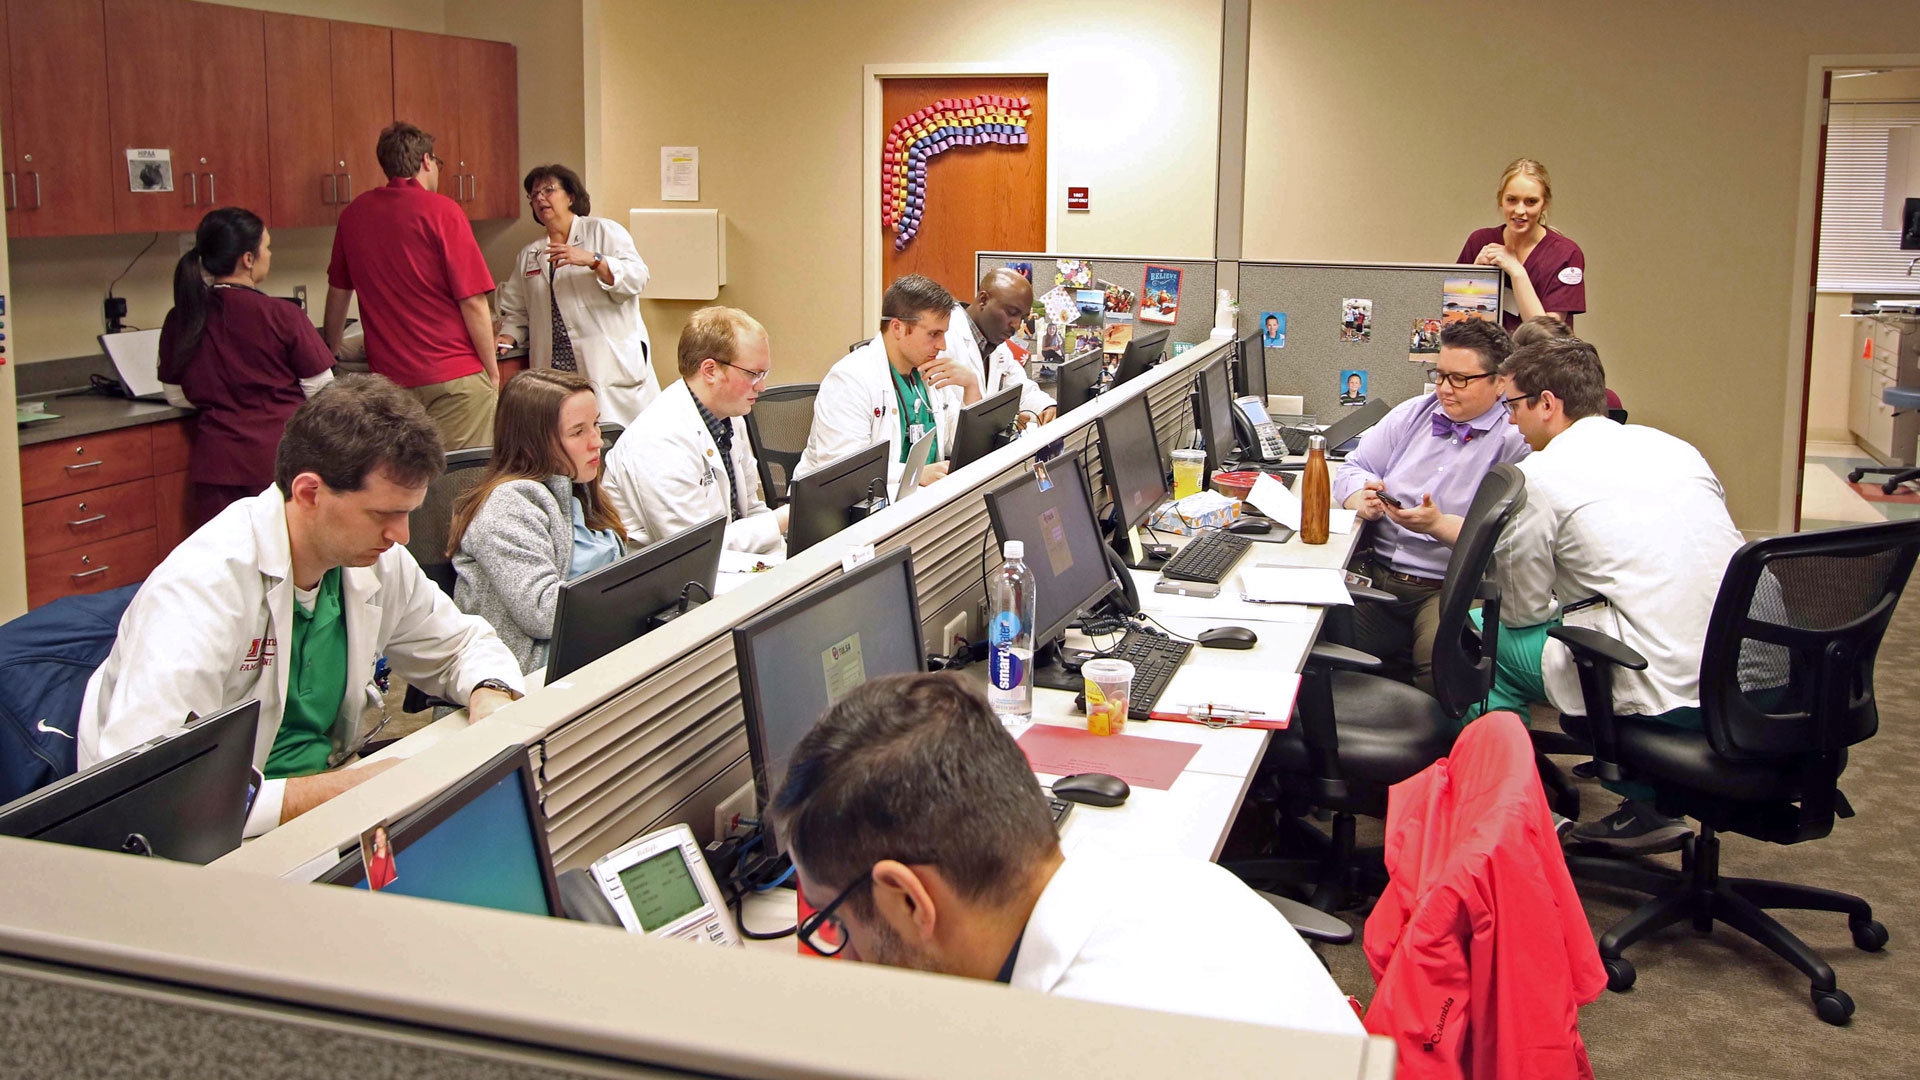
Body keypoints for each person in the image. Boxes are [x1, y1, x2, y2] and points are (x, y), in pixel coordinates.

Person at [769, 672, 1362, 1036]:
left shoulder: (1066, 1048)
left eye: (834, 923)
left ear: (906, 898)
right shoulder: (1196, 886)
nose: (842, 959)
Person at [77, 376, 525, 837]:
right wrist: (349, 789)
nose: (402, 535)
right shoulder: (202, 589)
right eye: (383, 514)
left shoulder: (373, 562)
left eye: (407, 511)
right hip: (211, 839)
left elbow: (460, 644)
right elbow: (150, 789)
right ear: (310, 493)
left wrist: (489, 696)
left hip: (323, 804)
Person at [1484, 337, 1744, 850]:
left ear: (1547, 404)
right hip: (1753, 680)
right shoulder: (1674, 448)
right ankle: (1646, 807)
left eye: (1512, 405)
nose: (1510, 421)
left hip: (1661, 687)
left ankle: (1517, 821)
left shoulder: (1535, 477)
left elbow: (1523, 610)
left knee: (1477, 637)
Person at [1333, 319, 1529, 692]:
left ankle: (1431, 748)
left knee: (1440, 672)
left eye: (1459, 379)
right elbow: (1354, 466)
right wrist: (1360, 496)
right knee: (1311, 642)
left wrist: (1438, 525)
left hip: (1448, 588)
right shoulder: (1415, 413)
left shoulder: (1516, 438)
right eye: (1439, 375)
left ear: (1500, 381)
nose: (1443, 389)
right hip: (1377, 574)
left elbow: (1512, 537)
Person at [324, 122, 499, 451]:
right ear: (427, 161)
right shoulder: (443, 211)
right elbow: (473, 301)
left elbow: (338, 292)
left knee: (405, 487)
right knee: (460, 486)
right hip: (454, 376)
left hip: (392, 385)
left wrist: (329, 355)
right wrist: (492, 372)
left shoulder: (353, 215)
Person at [159, 207, 336, 529]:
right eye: (266, 247)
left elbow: (175, 394)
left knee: (223, 563)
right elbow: (322, 388)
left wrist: (225, 400)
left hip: (216, 466)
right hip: (278, 462)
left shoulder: (182, 317)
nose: (269, 254)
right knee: (283, 558)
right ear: (248, 259)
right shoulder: (282, 315)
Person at [449, 370, 632, 675]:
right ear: (532, 444)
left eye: (596, 424)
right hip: (533, 680)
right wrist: (632, 594)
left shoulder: (578, 488)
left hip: (595, 655)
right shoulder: (508, 506)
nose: (597, 441)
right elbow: (544, 613)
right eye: (578, 432)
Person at [602, 306, 787, 554]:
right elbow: (698, 549)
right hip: (671, 580)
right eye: (754, 374)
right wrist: (787, 516)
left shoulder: (729, 415)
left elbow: (750, 510)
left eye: (764, 373)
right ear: (710, 371)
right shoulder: (658, 440)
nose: (762, 386)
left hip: (727, 566)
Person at [495, 165, 659, 427]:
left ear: (571, 196)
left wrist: (594, 260)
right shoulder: (530, 254)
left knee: (618, 442)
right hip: (557, 371)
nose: (540, 198)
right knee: (567, 439)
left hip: (608, 366)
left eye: (549, 190)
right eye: (534, 194)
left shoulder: (603, 232)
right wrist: (508, 335)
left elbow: (638, 276)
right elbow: (518, 311)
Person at [797, 274, 982, 489]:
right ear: (897, 328)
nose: (942, 345)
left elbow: (955, 445)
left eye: (944, 334)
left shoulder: (928, 370)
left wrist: (971, 387)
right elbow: (845, 469)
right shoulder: (849, 379)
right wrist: (915, 473)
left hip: (918, 499)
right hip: (847, 510)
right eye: (934, 334)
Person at [1457, 158, 1586, 332]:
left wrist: (1517, 272)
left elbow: (1546, 337)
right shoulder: (1480, 241)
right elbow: (1456, 323)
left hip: (1537, 358)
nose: (1519, 210)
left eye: (1531, 202)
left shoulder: (1566, 254)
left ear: (1545, 204)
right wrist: (1478, 277)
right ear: (1500, 200)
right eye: (1512, 200)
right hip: (1488, 357)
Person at [942, 267, 1055, 428]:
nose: (1016, 325)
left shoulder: (996, 342)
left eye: (1022, 318)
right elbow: (945, 421)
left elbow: (1020, 389)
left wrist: (1046, 407)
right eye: (1011, 312)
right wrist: (1004, 423)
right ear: (983, 300)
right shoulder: (944, 338)